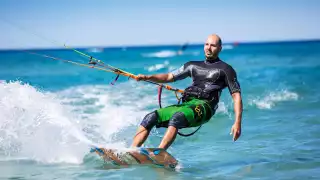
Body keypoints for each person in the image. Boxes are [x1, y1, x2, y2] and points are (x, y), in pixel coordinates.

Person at [131, 34, 243, 150]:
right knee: (151, 117)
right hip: (188, 104)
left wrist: (237, 122)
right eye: (206, 44)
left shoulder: (226, 70)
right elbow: (169, 76)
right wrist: (147, 77)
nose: (208, 48)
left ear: (220, 48)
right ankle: (132, 151)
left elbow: (236, 96)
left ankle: (160, 153)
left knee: (177, 117)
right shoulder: (192, 65)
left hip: (205, 106)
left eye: (213, 45)